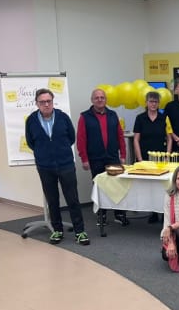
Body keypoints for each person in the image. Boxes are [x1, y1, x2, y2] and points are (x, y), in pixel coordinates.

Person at [25, 88, 89, 245]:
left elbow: (71, 138)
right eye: (42, 102)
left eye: (49, 101)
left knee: (72, 199)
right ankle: (57, 230)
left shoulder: (63, 117)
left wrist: (59, 151)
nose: (46, 104)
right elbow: (31, 142)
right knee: (52, 200)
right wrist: (44, 153)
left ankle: (80, 231)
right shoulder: (31, 120)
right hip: (45, 166)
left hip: (65, 164)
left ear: (53, 102)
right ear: (37, 104)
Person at [76, 88, 129, 226]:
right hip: (95, 158)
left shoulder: (113, 115)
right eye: (97, 97)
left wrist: (123, 155)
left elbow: (120, 136)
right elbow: (81, 139)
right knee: (99, 187)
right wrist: (84, 159)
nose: (100, 100)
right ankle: (102, 215)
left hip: (112, 157)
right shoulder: (84, 117)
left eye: (102, 97)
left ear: (106, 99)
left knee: (117, 185)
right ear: (92, 100)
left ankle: (119, 214)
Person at [133, 90, 167, 223]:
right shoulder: (140, 118)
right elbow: (136, 139)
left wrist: (167, 155)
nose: (153, 104)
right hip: (145, 158)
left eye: (156, 102)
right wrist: (139, 158)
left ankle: (163, 213)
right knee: (150, 187)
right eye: (151, 101)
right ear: (146, 103)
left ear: (159, 104)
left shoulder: (164, 118)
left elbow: (169, 138)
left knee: (162, 187)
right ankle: (153, 212)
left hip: (161, 158)